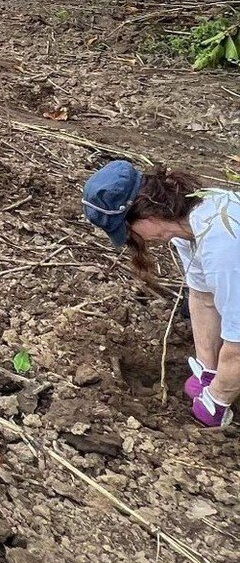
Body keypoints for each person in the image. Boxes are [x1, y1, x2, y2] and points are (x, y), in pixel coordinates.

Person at [82, 160, 240, 428]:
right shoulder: (189, 225)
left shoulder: (223, 246)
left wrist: (217, 398)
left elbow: (238, 345)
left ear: (146, 215)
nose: (136, 242)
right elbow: (203, 299)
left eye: (130, 232)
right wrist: (208, 369)